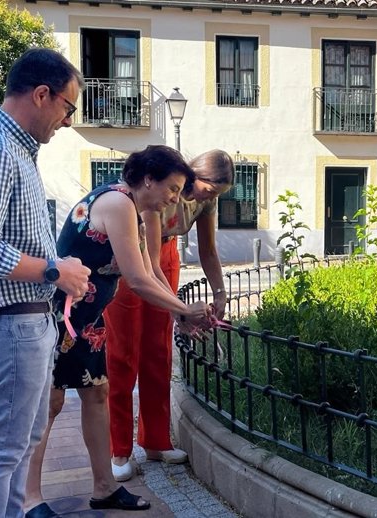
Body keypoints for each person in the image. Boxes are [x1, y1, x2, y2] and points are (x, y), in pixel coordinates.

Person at [23, 145, 214, 517]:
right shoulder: (116, 203)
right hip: (61, 315)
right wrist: (185, 310)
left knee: (97, 395)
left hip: (87, 321)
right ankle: (30, 499)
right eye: (172, 189)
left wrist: (180, 313)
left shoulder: (135, 210)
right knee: (51, 405)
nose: (175, 199)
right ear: (148, 179)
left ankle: (104, 488)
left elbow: (154, 272)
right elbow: (138, 280)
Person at [0, 48, 92, 518]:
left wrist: (55, 264)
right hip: (7, 326)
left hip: (24, 325)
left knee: (20, 445)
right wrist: (54, 271)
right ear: (42, 94)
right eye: (67, 107)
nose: (68, 121)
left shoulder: (16, 150)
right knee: (0, 454)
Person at [105, 149, 235, 481]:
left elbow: (208, 250)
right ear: (195, 174)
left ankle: (155, 440)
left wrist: (219, 293)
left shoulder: (206, 202)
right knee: (122, 354)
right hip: (133, 257)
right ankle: (118, 450)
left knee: (159, 351)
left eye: (217, 194)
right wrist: (179, 309)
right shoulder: (163, 191)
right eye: (209, 188)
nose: (210, 196)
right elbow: (145, 266)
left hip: (167, 257)